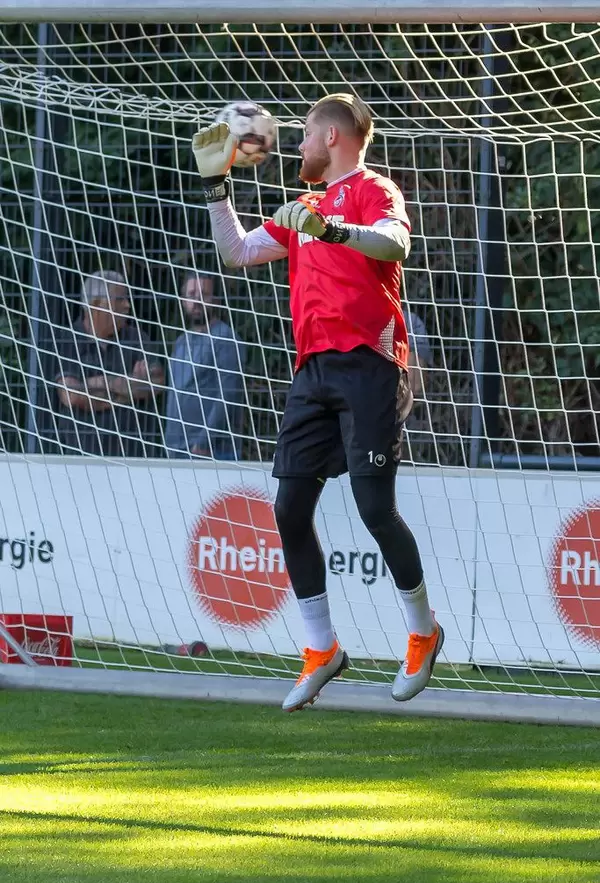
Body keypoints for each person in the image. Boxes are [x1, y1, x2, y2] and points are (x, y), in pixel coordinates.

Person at [192, 93, 444, 711]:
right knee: (288, 508)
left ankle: (422, 632)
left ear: (333, 138)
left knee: (373, 508)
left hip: (370, 365)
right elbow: (240, 252)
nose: (295, 144)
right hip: (311, 370)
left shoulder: (371, 189)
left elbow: (393, 247)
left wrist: (331, 229)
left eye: (304, 133)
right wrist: (216, 187)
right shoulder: (301, 205)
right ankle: (320, 649)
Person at [54, 270, 165, 457]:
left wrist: (91, 385)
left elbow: (158, 382)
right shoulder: (67, 339)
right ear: (97, 304)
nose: (128, 305)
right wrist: (121, 387)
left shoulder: (137, 337)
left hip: (133, 456)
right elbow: (71, 396)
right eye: (120, 299)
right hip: (80, 457)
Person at [165, 272, 245, 460]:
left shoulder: (225, 338)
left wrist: (204, 441)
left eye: (204, 294)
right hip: (177, 448)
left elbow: (228, 394)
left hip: (211, 451)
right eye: (191, 294)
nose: (197, 301)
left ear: (216, 300)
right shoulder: (180, 342)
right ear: (183, 300)